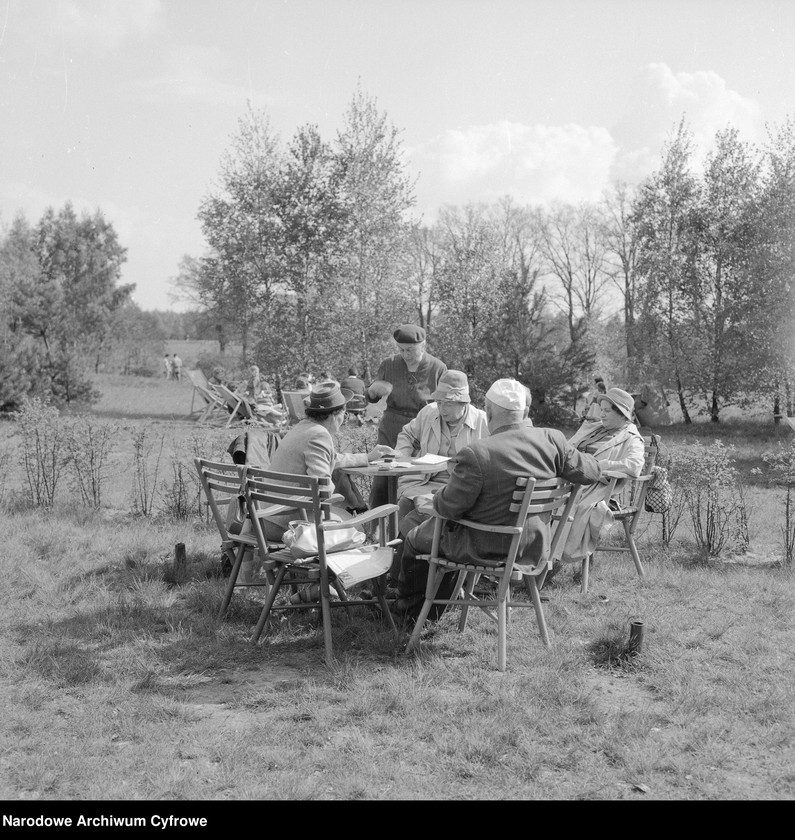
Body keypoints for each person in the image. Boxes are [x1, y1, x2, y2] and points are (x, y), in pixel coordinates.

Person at [394, 378, 604, 623]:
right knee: (433, 530)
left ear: (489, 412)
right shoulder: (553, 440)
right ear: (524, 412)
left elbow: (447, 508)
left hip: (485, 548)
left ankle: (409, 611)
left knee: (414, 534)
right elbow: (592, 472)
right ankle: (437, 606)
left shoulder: (477, 453)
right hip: (534, 546)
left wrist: (433, 496)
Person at [260, 381, 397, 541]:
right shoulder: (319, 435)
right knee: (356, 526)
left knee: (345, 516)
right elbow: (322, 490)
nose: (344, 419)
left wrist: (367, 457)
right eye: (344, 414)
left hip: (267, 518)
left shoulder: (303, 428)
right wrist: (339, 492)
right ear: (334, 416)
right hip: (289, 526)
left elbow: (331, 458)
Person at [393, 370, 489, 534]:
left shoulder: (483, 421)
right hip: (423, 480)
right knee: (405, 503)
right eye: (439, 403)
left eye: (448, 404)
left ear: (463, 403)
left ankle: (420, 550)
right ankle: (411, 550)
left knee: (424, 515)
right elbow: (407, 434)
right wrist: (401, 458)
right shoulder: (429, 412)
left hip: (459, 486)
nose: (442, 409)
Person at [560, 387, 645, 566]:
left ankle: (553, 560)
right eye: (602, 410)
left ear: (622, 414)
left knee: (571, 507)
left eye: (607, 411)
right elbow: (566, 449)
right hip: (570, 479)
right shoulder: (593, 429)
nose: (602, 415)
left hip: (597, 488)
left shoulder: (631, 437)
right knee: (542, 501)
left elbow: (634, 465)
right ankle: (536, 559)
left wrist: (601, 467)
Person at [366, 324, 447, 508]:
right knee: (382, 479)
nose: (405, 354)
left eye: (410, 350)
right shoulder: (389, 364)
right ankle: (375, 529)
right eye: (401, 349)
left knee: (413, 479)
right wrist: (372, 391)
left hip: (422, 429)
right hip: (391, 427)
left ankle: (405, 529)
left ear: (423, 346)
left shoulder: (438, 367)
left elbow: (445, 401)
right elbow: (372, 396)